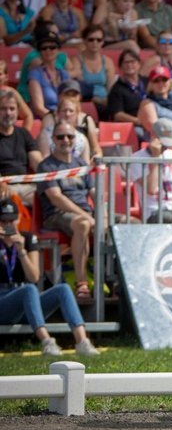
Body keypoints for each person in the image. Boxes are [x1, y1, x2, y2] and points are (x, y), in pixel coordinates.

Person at [0, 198, 100, 356]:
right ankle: (47, 342)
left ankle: (82, 341)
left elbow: (34, 276)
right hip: (3, 301)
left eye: (12, 220)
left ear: (18, 219)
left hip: (25, 299)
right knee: (29, 289)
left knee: (63, 289)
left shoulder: (26, 239)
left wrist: (21, 251)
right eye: (3, 221)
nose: (8, 225)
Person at [37, 121, 96, 299]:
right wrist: (87, 215)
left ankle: (117, 280)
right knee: (83, 223)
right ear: (53, 139)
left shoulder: (81, 164)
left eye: (70, 136)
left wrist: (104, 215)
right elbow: (56, 198)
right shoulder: (46, 166)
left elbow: (95, 193)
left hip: (84, 213)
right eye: (60, 136)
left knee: (128, 223)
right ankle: (81, 283)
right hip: (56, 214)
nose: (66, 140)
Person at [0, 92, 43, 205]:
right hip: (3, 186)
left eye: (12, 109)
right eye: (3, 109)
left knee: (49, 195)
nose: (8, 113)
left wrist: (50, 179)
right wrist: (1, 184)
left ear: (17, 112)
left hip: (26, 186)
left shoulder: (24, 134)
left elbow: (37, 161)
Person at [107, 50, 148, 139]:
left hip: (151, 120)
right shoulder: (117, 89)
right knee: (142, 134)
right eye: (126, 62)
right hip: (133, 125)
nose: (129, 65)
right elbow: (117, 115)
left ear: (139, 64)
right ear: (120, 67)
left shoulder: (147, 82)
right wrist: (139, 121)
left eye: (132, 62)